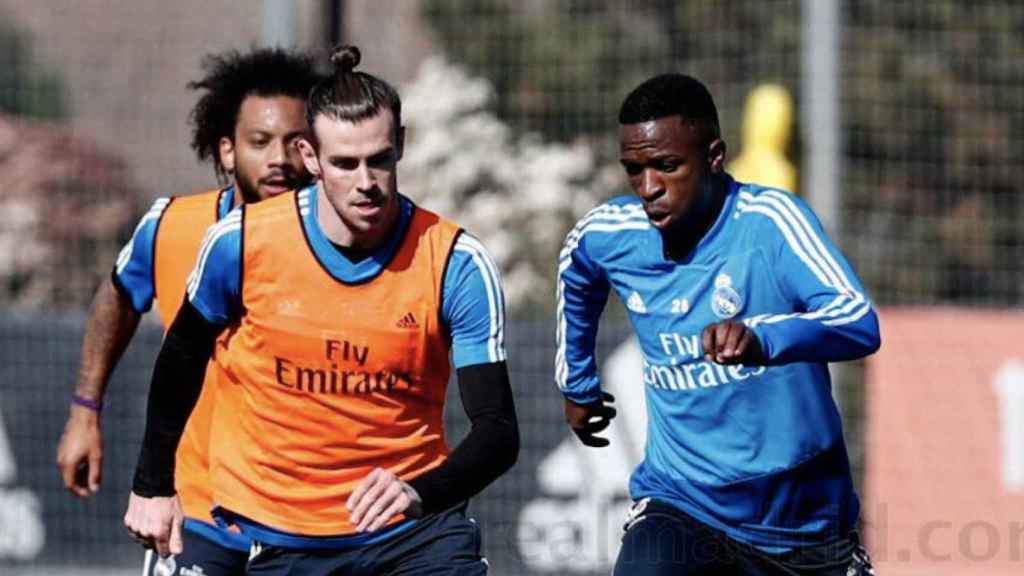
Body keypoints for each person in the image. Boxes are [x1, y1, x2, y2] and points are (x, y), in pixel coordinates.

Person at [123, 45, 518, 575]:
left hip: (415, 535)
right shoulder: (240, 244)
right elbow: (180, 359)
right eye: (344, 163)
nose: (364, 182)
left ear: (401, 146)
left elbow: (497, 430)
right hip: (288, 537)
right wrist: (151, 486)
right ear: (311, 158)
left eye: (379, 160)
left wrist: (421, 491)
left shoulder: (453, 262)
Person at [556, 73, 880, 575]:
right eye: (633, 170)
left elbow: (858, 320)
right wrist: (577, 382)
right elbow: (577, 269)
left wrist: (764, 338)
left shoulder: (771, 222)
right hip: (685, 506)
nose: (649, 188)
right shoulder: (611, 234)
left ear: (713, 156)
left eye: (666, 166)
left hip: (803, 525)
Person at [56, 47, 322, 575]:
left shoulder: (338, 243)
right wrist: (86, 409)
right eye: (259, 142)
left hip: (305, 519)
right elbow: (118, 296)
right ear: (226, 151)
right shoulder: (173, 226)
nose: (279, 160)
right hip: (194, 510)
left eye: (296, 143)